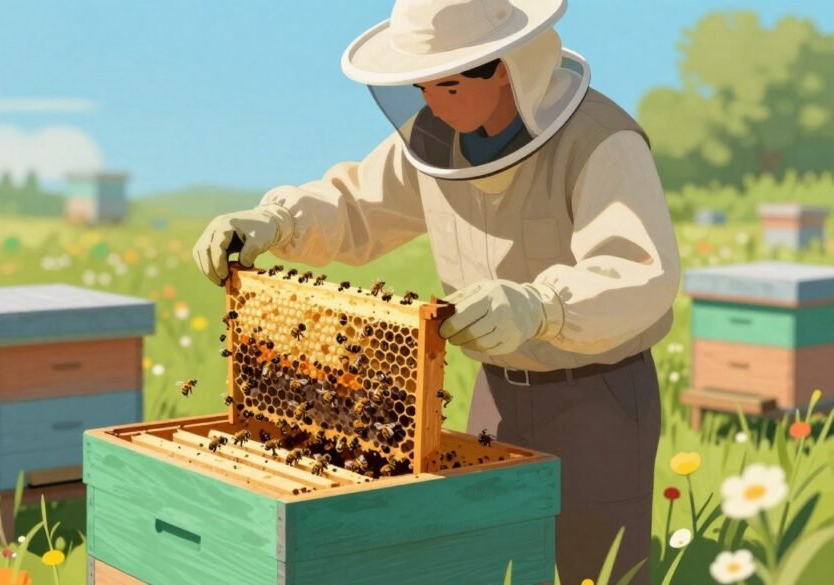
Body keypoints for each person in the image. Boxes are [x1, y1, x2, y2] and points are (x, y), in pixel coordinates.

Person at [193, 1, 680, 583]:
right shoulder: (434, 137)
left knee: (601, 565)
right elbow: (357, 206)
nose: (429, 102)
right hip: (495, 391)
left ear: (502, 66)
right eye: (420, 85)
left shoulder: (601, 140)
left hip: (597, 395)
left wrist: (543, 305)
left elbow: (639, 269)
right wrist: (276, 220)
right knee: (488, 559)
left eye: (446, 85)